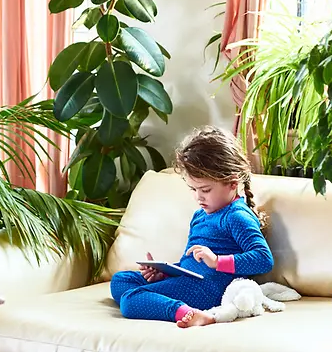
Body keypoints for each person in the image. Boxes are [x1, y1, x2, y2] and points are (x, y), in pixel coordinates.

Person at [108, 126, 273, 327]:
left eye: (205, 190)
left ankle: (189, 313)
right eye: (193, 189)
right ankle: (158, 300)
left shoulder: (236, 216)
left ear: (232, 182)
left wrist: (217, 261)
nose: (198, 197)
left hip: (207, 289)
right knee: (121, 280)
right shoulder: (200, 216)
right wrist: (163, 273)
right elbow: (189, 265)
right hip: (189, 281)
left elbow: (263, 259)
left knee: (129, 300)